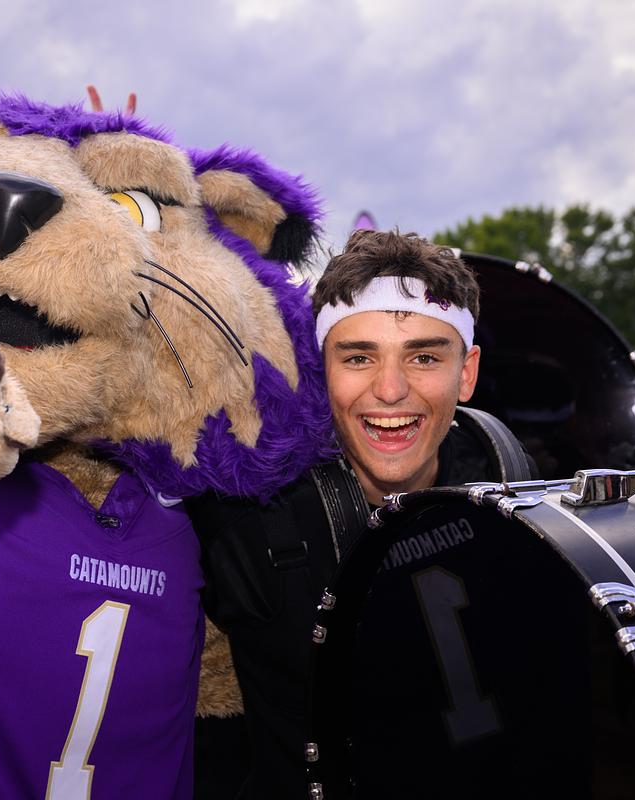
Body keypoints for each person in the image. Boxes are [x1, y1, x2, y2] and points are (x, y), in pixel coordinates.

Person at [189, 229, 536, 798]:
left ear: (466, 374)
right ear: (320, 372)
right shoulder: (250, 518)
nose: (391, 389)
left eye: (424, 356)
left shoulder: (512, 482)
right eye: (358, 357)